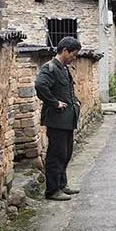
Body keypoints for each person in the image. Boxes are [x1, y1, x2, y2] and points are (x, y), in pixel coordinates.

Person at [35, 36, 82, 201]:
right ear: (65, 51)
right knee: (56, 155)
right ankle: (52, 190)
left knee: (66, 153)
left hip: (67, 121)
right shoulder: (50, 68)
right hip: (57, 121)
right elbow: (40, 86)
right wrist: (54, 103)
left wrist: (75, 102)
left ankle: (62, 185)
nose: (74, 58)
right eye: (73, 54)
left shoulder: (63, 68)